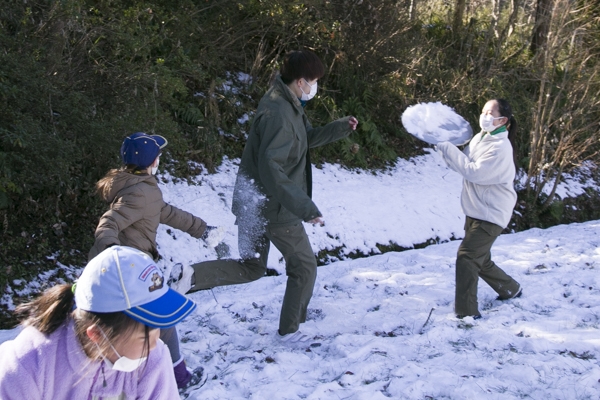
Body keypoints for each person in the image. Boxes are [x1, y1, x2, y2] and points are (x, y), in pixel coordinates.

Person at [178, 49, 358, 342]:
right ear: (301, 82)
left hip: (253, 202)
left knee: (251, 267)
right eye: (313, 81)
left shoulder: (285, 102)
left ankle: (190, 276)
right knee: (304, 267)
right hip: (273, 208)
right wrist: (304, 206)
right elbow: (271, 168)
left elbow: (304, 140)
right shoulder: (280, 114)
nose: (314, 87)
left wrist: (339, 128)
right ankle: (291, 331)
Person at [89, 132, 215, 388]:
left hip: (127, 270)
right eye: (158, 157)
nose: (159, 161)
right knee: (162, 324)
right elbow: (109, 222)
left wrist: (202, 229)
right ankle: (179, 379)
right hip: (129, 272)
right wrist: (114, 253)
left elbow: (167, 212)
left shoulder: (137, 187)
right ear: (151, 162)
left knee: (135, 327)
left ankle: (131, 379)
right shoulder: (139, 193)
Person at [0, 245, 196, 399]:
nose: (156, 344)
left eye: (158, 330)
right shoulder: (28, 365)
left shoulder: (153, 362)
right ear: (97, 335)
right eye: (144, 336)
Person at [436, 98, 522, 319]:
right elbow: (462, 163)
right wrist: (445, 149)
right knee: (480, 259)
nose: (484, 115)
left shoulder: (501, 147)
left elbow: (474, 172)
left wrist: (447, 147)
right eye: (483, 111)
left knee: (466, 257)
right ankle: (510, 288)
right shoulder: (480, 138)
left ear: (502, 119)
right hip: (476, 210)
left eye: (489, 112)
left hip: (491, 214)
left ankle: (466, 313)